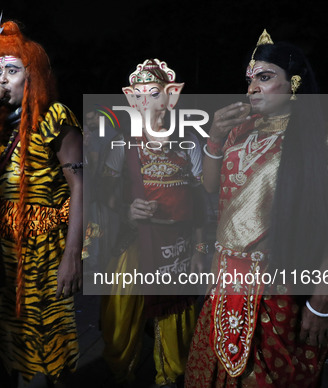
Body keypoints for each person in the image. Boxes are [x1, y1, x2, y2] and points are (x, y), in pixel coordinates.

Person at [184, 30, 328, 387]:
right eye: (249, 80)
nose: (252, 88)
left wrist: (321, 303)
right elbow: (211, 187)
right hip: (226, 283)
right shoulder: (239, 132)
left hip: (280, 292)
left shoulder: (327, 146)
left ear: (294, 83)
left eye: (264, 77)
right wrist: (214, 136)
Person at [0, 21, 83, 386]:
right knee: (3, 338)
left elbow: (81, 185)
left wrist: (72, 256)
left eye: (12, 71)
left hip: (44, 250)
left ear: (34, 77)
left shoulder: (55, 117)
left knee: (50, 339)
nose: (1, 79)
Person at [98, 59, 207, 387]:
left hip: (178, 249)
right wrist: (126, 210)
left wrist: (200, 250)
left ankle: (168, 377)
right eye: (140, 95)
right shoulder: (122, 143)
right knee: (119, 326)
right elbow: (104, 194)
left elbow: (201, 202)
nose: (147, 102)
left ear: (170, 97)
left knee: (176, 331)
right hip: (135, 244)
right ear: (132, 101)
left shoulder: (190, 141)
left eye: (155, 93)